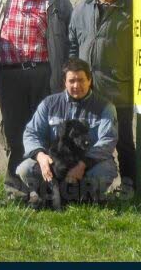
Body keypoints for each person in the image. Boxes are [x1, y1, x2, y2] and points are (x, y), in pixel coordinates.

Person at [0, 0, 73, 198]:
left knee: (44, 131)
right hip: (10, 75)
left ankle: (42, 188)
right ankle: (14, 187)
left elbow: (68, 38)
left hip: (42, 74)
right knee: (15, 131)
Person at [68, 0, 135, 188]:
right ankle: (83, 187)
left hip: (119, 89)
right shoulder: (82, 9)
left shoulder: (133, 10)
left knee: (124, 142)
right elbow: (73, 46)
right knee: (83, 141)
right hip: (87, 93)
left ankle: (130, 189)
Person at [17, 58, 118, 204]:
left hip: (90, 163)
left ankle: (84, 198)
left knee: (104, 171)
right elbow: (31, 132)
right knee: (25, 169)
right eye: (72, 81)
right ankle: (49, 195)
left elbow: (107, 141)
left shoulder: (105, 107)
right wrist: (40, 157)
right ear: (64, 82)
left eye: (81, 80)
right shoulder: (49, 104)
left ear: (90, 80)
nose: (77, 85)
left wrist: (82, 165)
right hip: (57, 164)